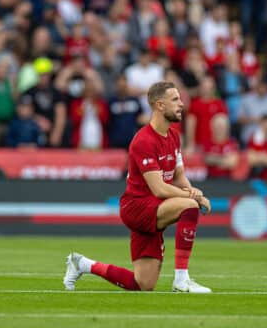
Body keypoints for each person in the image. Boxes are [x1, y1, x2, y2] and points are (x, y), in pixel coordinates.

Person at [64, 81, 212, 293]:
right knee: (189, 206)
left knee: (142, 284)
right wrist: (193, 198)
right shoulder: (143, 140)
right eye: (175, 100)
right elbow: (159, 188)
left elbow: (180, 177)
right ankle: (182, 280)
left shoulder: (174, 136)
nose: (181, 104)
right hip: (137, 208)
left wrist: (191, 191)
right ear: (160, 105)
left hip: (155, 207)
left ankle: (83, 264)